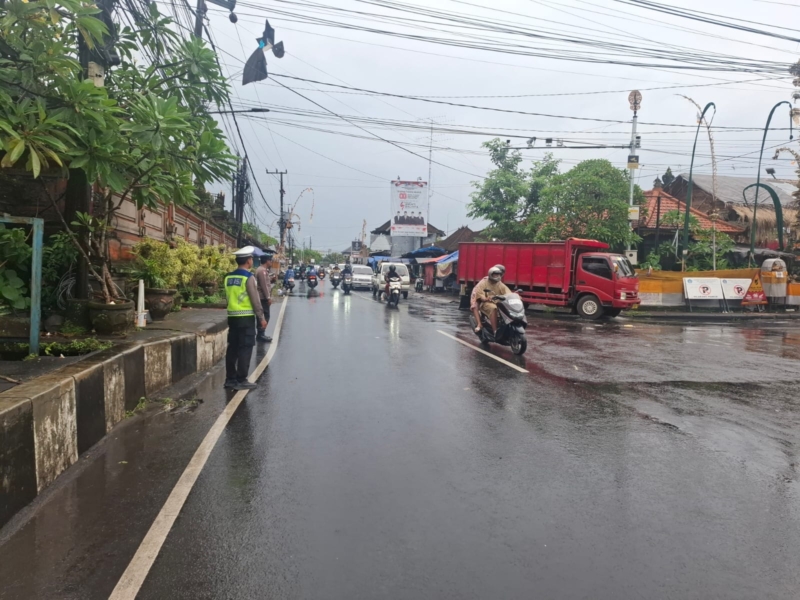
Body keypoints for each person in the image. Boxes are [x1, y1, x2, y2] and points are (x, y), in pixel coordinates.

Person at [224, 247, 267, 390]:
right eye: (251, 259)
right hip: (246, 317)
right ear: (248, 261)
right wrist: (261, 317)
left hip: (232, 317)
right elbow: (255, 300)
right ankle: (241, 379)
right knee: (245, 348)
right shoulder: (248, 278)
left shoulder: (228, 277)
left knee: (233, 348)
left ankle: (230, 379)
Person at [472, 266, 511, 335]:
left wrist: (515, 296)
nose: (498, 276)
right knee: (492, 308)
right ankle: (494, 330)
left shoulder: (500, 284)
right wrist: (485, 298)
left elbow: (508, 292)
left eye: (499, 274)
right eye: (496, 274)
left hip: (497, 301)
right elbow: (480, 294)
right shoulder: (484, 282)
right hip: (485, 302)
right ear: (491, 274)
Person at [255, 253, 273, 343]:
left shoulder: (263, 270)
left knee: (264, 315)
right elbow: (264, 286)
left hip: (263, 297)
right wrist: (268, 297)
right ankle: (260, 334)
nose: (271, 262)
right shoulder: (262, 271)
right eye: (270, 260)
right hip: (262, 298)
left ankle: (261, 333)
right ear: (267, 261)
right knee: (264, 316)